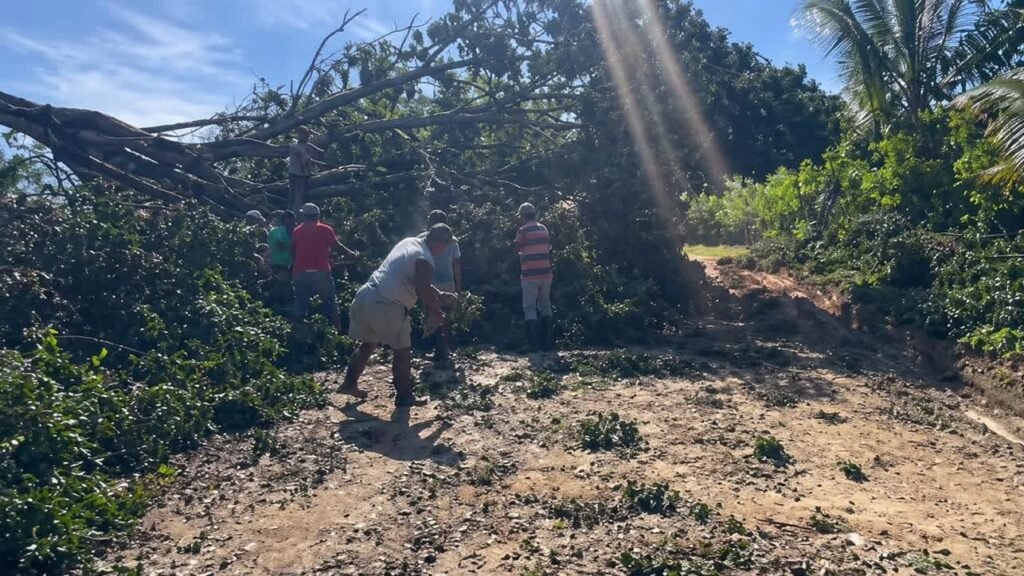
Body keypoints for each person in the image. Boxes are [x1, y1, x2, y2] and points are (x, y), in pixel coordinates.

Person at [341, 224, 457, 406]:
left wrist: (438, 294)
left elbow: (413, 279)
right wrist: (436, 311)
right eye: (446, 246)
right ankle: (404, 397)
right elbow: (421, 288)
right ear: (440, 243)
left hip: (366, 296)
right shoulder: (425, 259)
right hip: (388, 305)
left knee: (368, 345)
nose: (445, 250)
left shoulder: (409, 242)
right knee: (402, 351)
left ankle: (349, 384)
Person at [291, 203, 359, 331]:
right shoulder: (325, 229)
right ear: (317, 216)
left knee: (301, 302)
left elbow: (294, 251)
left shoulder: (297, 231)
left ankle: (298, 332)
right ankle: (336, 332)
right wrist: (351, 254)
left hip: (300, 272)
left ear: (304, 216)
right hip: (320, 272)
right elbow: (337, 246)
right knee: (329, 301)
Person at [417, 210, 462, 365]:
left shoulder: (421, 239)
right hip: (447, 282)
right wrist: (459, 287)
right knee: (445, 317)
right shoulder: (453, 241)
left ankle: (436, 349)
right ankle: (443, 350)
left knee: (430, 315)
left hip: (428, 283)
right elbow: (457, 265)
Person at [514, 202, 554, 351]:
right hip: (546, 273)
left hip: (530, 274)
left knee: (529, 307)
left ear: (523, 216)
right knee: (545, 304)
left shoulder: (522, 231)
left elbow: (516, 248)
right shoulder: (544, 228)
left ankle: (534, 344)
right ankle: (548, 342)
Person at [288, 126, 324, 211]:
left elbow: (320, 152)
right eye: (301, 134)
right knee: (296, 197)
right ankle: (294, 212)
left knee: (303, 196)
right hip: (297, 174)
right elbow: (302, 160)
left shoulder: (307, 146)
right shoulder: (294, 146)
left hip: (305, 175)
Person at [267, 210, 295, 309]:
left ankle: (278, 306)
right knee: (285, 286)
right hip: (280, 263)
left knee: (281, 286)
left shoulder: (274, 231)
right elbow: (281, 245)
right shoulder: (279, 231)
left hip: (282, 263)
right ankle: (284, 307)